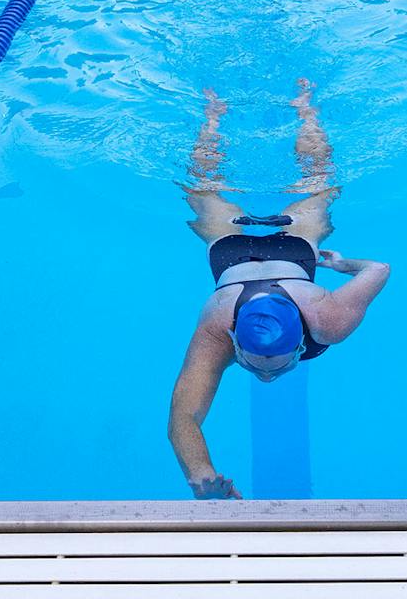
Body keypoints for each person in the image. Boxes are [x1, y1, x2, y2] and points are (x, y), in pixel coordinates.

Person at [168, 82, 391, 500]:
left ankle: (218, 114)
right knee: (316, 185)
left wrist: (346, 265)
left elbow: (183, 418)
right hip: (265, 253)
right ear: (233, 336)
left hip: (245, 254)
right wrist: (200, 474)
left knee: (209, 189)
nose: (266, 377)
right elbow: (182, 417)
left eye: (264, 368)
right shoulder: (322, 320)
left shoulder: (323, 319)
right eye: (257, 366)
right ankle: (300, 110)